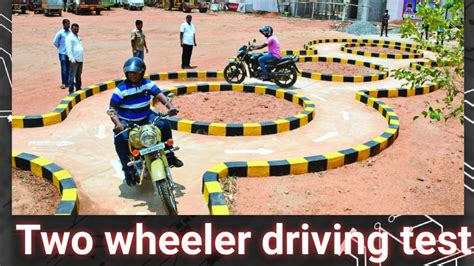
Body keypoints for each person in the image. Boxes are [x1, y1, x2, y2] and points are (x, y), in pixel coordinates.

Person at [108, 57, 184, 187]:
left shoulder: (148, 84)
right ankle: (128, 171)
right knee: (120, 139)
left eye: (135, 72)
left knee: (164, 123)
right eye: (129, 72)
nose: (132, 75)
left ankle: (169, 153)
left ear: (142, 72)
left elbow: (159, 95)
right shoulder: (120, 90)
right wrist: (118, 124)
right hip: (127, 121)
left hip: (146, 116)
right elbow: (112, 110)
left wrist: (170, 107)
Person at [53, 19, 71, 90]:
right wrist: (60, 48)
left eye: (69, 24)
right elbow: (55, 42)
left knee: (69, 68)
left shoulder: (70, 33)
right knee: (64, 68)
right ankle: (64, 83)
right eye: (67, 24)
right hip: (62, 53)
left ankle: (69, 82)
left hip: (69, 53)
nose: (69, 25)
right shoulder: (60, 33)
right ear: (63, 24)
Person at [65, 23, 84, 93]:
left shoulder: (77, 37)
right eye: (75, 28)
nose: (76, 30)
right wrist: (71, 59)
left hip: (80, 59)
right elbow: (68, 49)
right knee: (72, 76)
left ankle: (78, 88)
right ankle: (71, 90)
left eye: (77, 29)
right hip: (74, 60)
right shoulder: (69, 37)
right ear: (71, 29)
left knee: (79, 75)